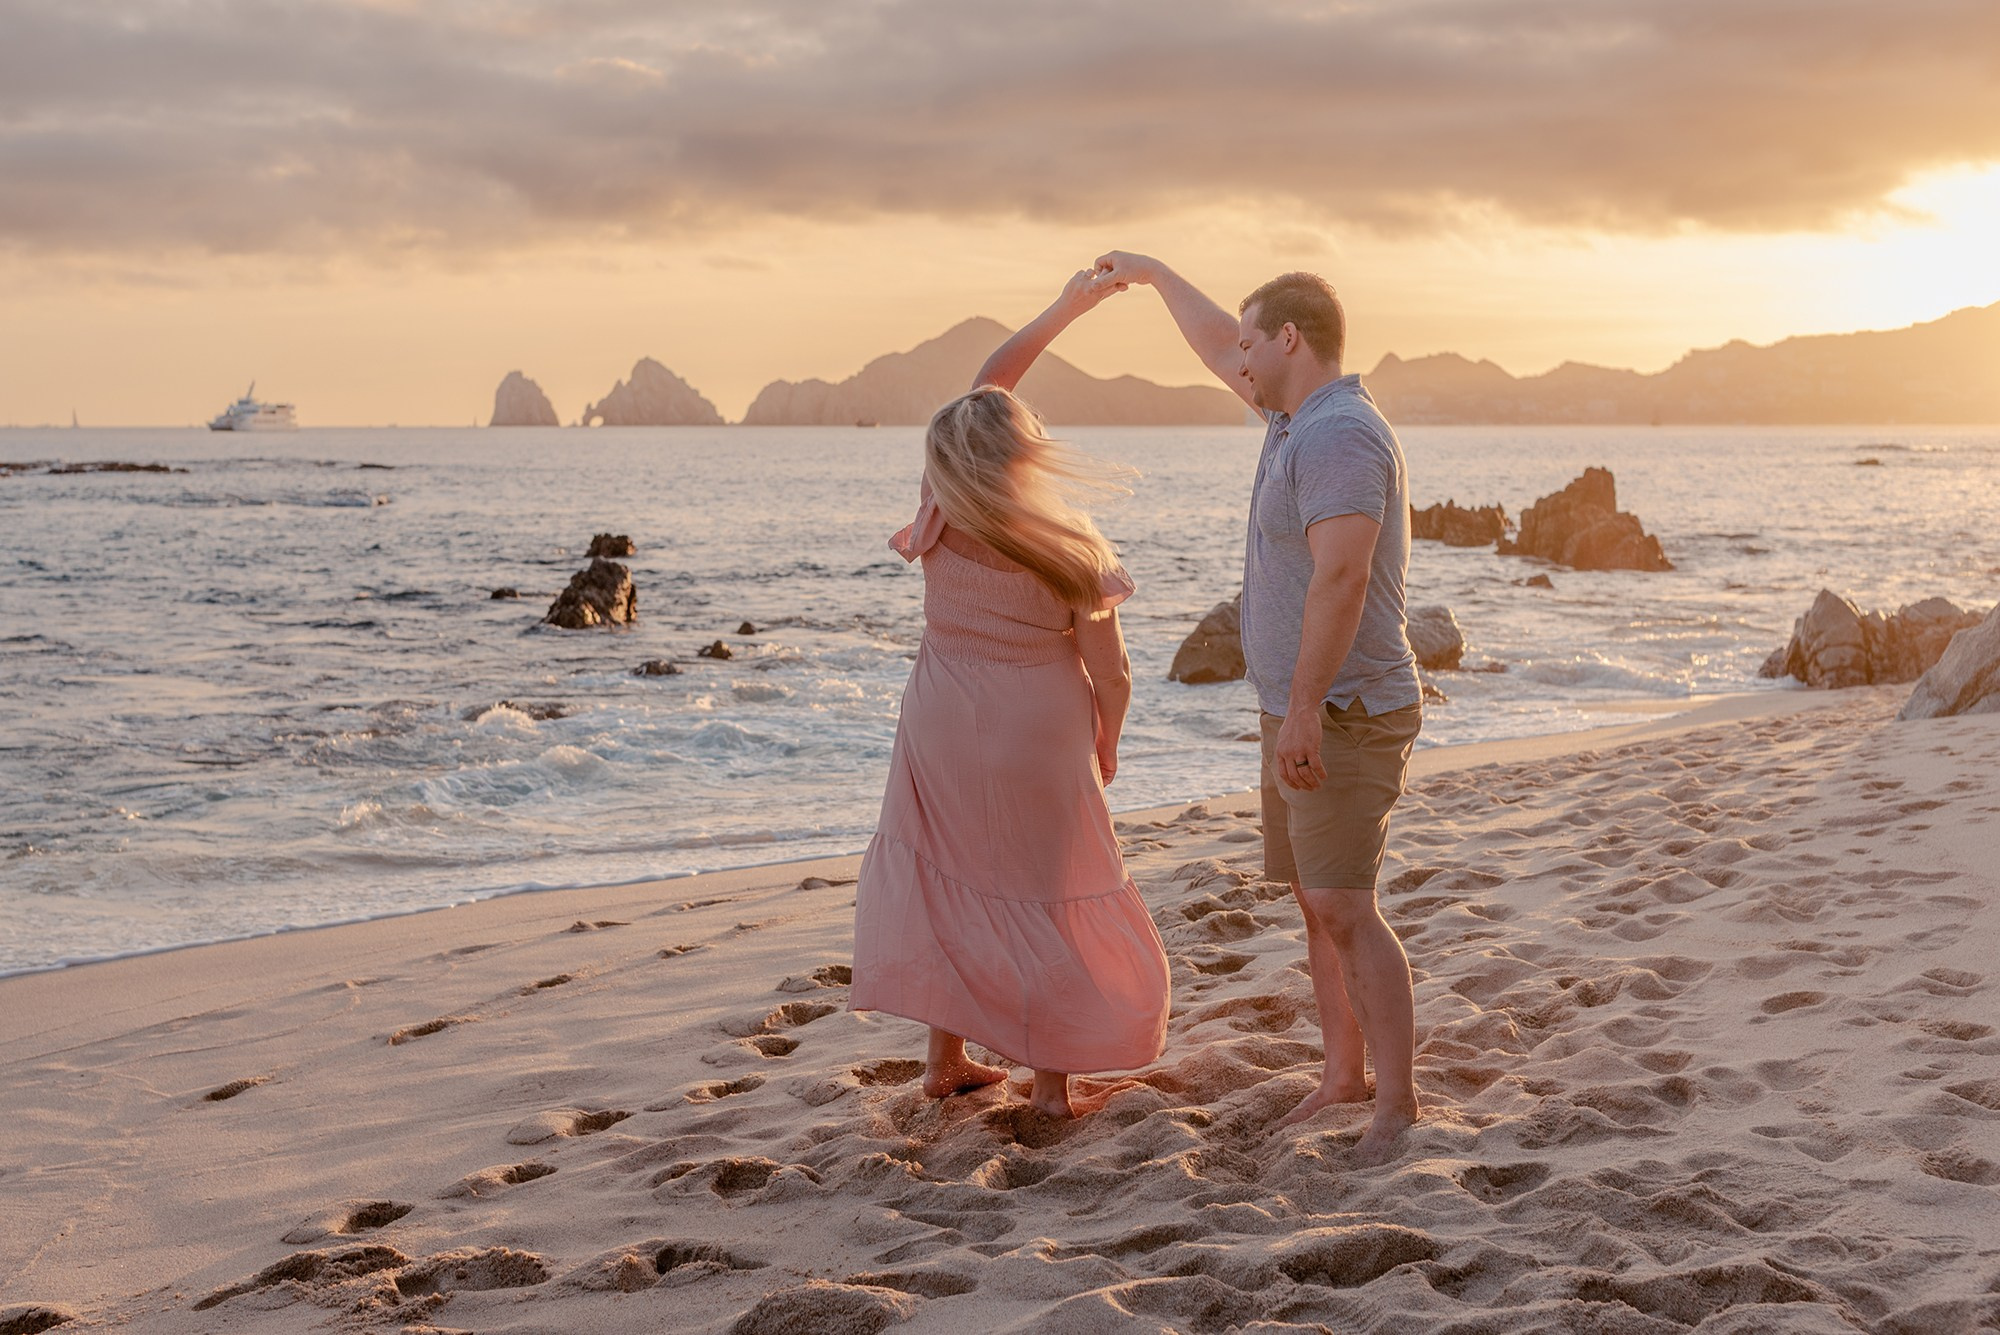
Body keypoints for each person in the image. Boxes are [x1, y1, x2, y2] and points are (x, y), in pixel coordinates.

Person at [1091, 253, 1424, 1164]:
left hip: (1345, 707)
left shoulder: (1339, 433)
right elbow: (1210, 344)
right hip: (1299, 706)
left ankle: (1394, 1102)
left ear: (1290, 338)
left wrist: (1310, 707)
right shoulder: (1290, 419)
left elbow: (1345, 575)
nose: (1233, 359)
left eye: (1249, 341)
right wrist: (1156, 276)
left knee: (1345, 903)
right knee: (1317, 905)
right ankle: (1341, 1076)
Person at [849, 270, 1170, 1118]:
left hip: (941, 720)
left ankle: (944, 1059)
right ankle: (1051, 1090)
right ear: (1026, 453)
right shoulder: (1068, 546)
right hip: (1039, 728)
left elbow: (987, 384)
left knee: (950, 872)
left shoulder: (940, 513)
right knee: (1048, 888)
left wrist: (1062, 311)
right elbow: (1115, 673)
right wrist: (1107, 739)